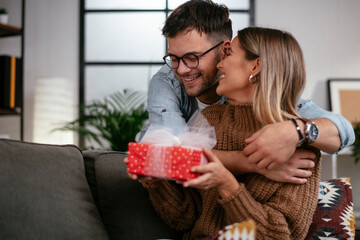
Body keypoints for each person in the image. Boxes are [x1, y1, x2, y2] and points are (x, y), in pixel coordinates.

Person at [138, 26, 322, 240]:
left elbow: (278, 236)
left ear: (256, 66)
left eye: (229, 54)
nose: (219, 64)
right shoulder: (210, 119)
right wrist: (157, 182)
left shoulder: (298, 145)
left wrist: (226, 183)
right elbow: (184, 218)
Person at [143, 0, 355, 183]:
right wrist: (254, 164)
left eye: (192, 57)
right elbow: (173, 156)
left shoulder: (257, 88)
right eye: (173, 58)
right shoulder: (166, 81)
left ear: (225, 50)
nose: (180, 69)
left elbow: (344, 130)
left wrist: (296, 129)